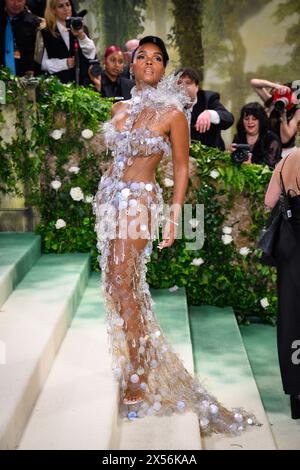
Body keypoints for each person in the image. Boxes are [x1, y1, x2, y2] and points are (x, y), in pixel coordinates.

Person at [93, 35, 258, 434]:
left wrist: (173, 216)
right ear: (131, 66)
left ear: (164, 68)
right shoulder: (118, 108)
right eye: (142, 57)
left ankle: (138, 372)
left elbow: (181, 168)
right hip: (110, 201)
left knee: (124, 283)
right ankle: (139, 358)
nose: (149, 62)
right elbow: (113, 158)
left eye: (157, 58)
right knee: (116, 288)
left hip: (140, 202)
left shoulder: (172, 113)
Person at [265, 148, 300, 419]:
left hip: (290, 246)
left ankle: (297, 394)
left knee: (291, 316)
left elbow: (269, 200)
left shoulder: (288, 159)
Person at [40, 0, 96, 85]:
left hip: (82, 85)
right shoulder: (47, 32)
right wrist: (65, 63)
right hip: (60, 86)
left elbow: (91, 54)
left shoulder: (81, 28)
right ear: (53, 10)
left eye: (68, 4)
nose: (66, 9)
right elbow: (43, 64)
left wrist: (81, 36)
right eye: (60, 6)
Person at [177, 67, 234, 150]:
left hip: (211, 156)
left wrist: (209, 114)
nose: (183, 87)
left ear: (197, 87)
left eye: (188, 83)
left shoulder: (208, 99)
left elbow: (229, 119)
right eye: (179, 83)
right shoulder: (171, 104)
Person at [251, 78, 300, 158]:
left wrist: (283, 115)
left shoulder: (297, 112)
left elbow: (285, 139)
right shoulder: (273, 103)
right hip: (269, 149)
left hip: (286, 153)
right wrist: (277, 86)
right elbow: (254, 82)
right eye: (289, 94)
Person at [230, 102, 281, 168]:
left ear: (261, 120)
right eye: (246, 119)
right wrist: (229, 154)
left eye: (254, 119)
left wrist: (250, 166)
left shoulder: (272, 139)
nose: (250, 122)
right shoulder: (239, 136)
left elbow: (269, 167)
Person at [0, 0, 41, 76]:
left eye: (20, 0)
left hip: (26, 78)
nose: (16, 4)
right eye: (12, 0)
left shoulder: (35, 23)